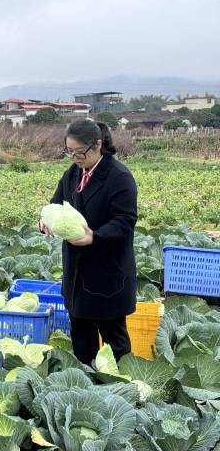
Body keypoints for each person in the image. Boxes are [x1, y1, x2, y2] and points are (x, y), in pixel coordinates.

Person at [40, 119, 137, 364]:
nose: (74, 157)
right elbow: (54, 205)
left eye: (79, 152)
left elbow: (125, 221)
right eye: (69, 151)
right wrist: (44, 222)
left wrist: (95, 236)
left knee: (115, 344)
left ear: (98, 146)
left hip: (107, 276)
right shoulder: (72, 174)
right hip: (76, 275)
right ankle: (88, 386)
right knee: (82, 342)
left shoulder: (119, 177)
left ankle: (119, 393)